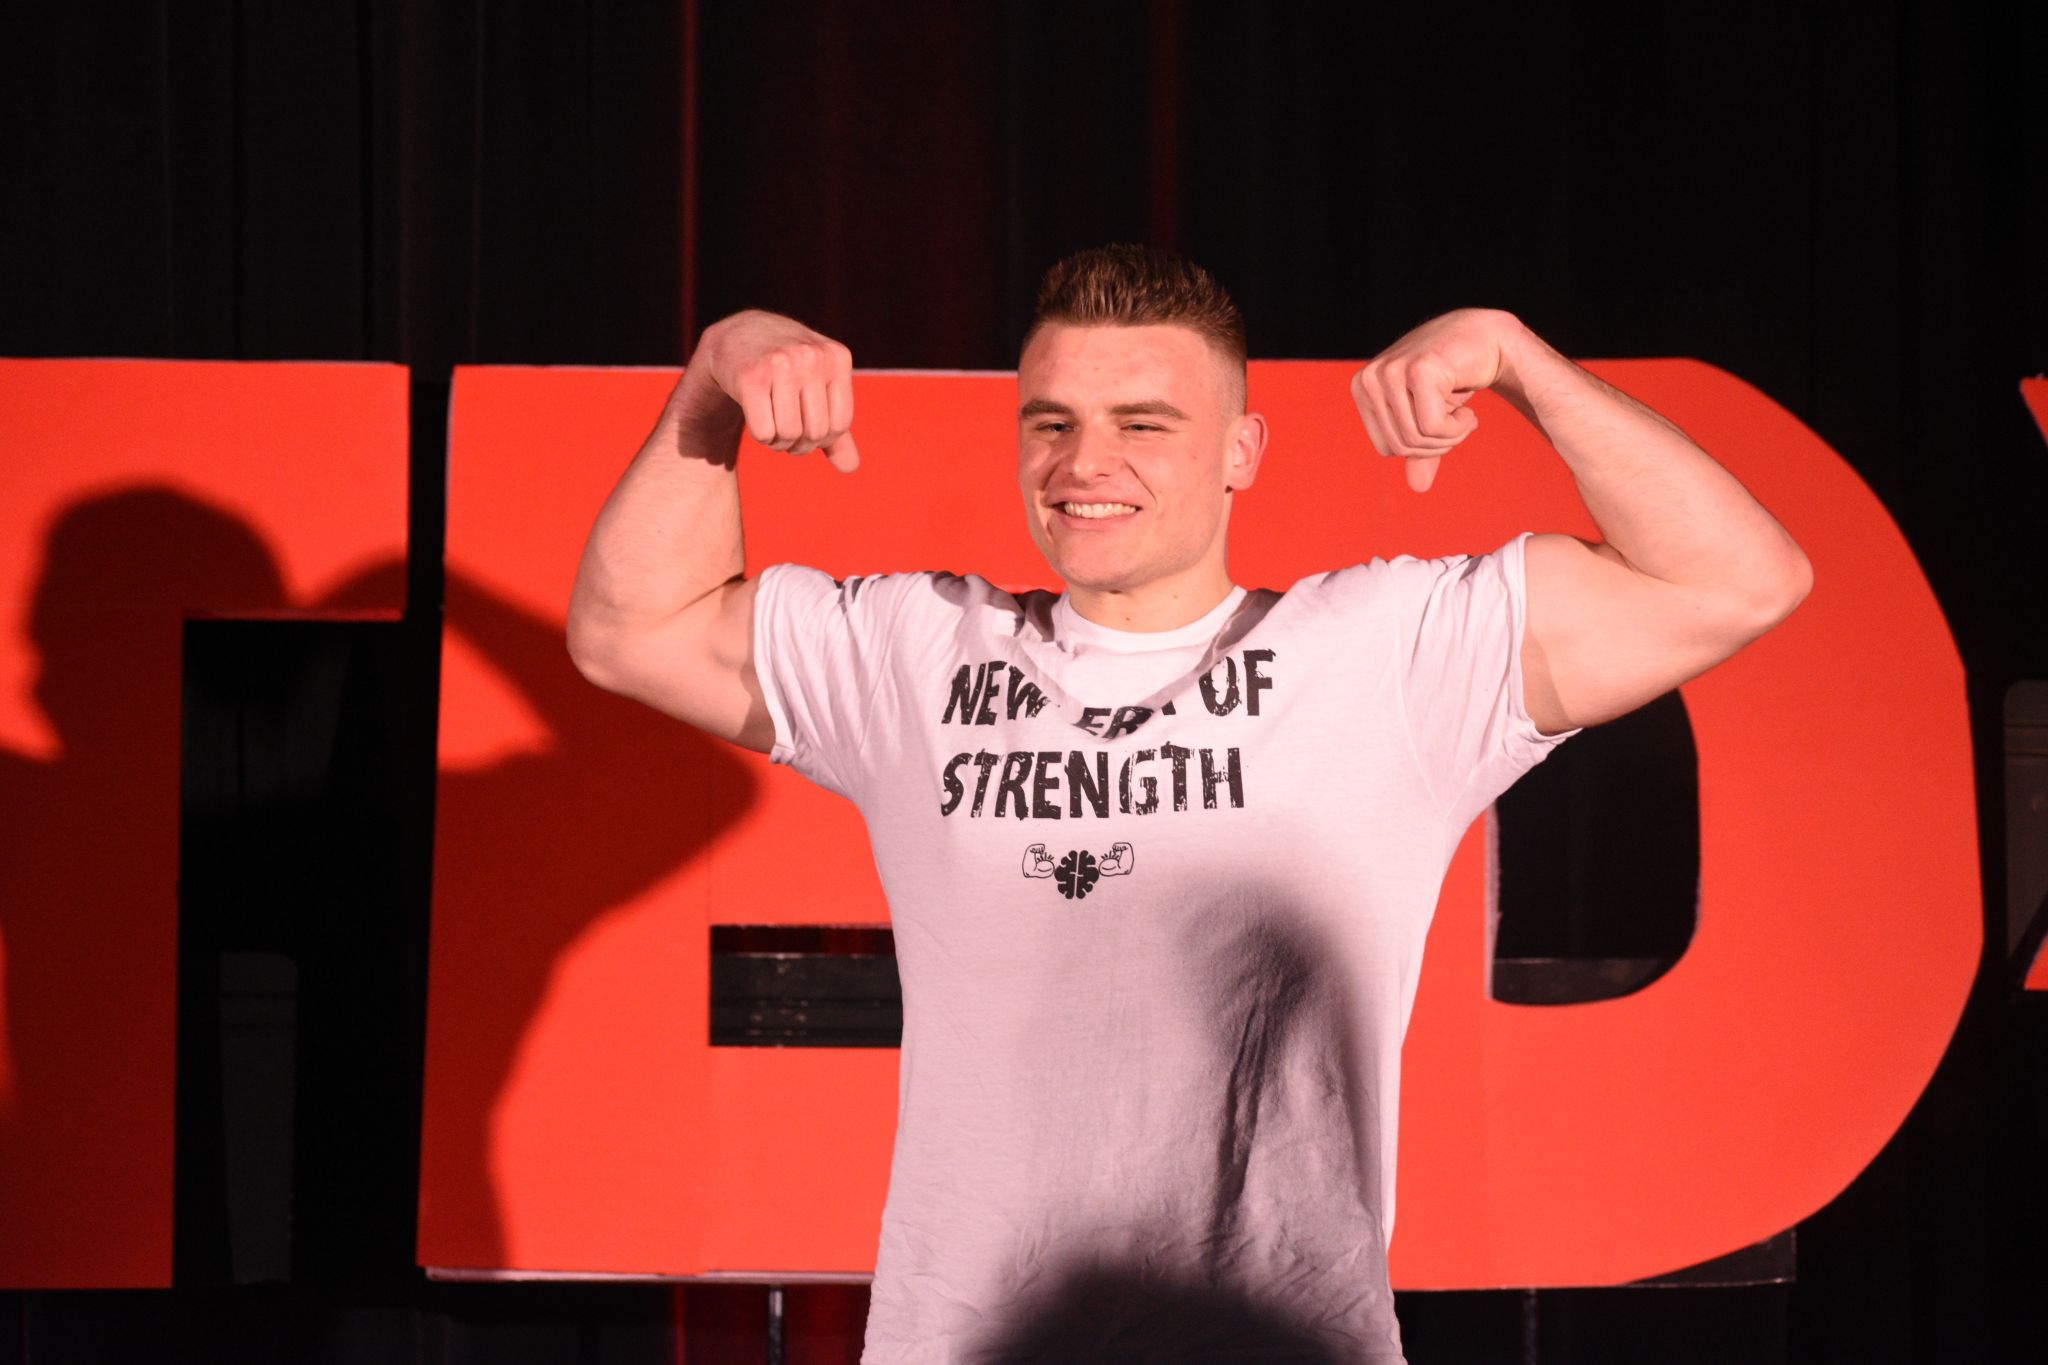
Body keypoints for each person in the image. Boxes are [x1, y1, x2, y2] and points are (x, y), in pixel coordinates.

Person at [566, 245, 1811, 1363]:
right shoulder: (918, 652)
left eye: (1142, 423)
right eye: (1050, 422)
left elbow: (1734, 579)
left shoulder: (1384, 656)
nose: (1083, 463)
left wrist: (1517, 358)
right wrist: (714, 378)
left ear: (1240, 453)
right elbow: (630, 632)